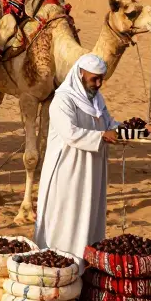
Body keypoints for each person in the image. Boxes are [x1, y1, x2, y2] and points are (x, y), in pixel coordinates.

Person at [33, 53, 125, 265]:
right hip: (68, 170)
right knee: (67, 216)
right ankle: (62, 264)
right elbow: (70, 133)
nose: (98, 84)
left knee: (89, 213)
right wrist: (102, 136)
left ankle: (86, 263)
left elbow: (108, 123)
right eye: (94, 79)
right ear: (80, 73)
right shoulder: (63, 100)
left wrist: (129, 131)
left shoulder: (97, 100)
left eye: (101, 79)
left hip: (92, 169)